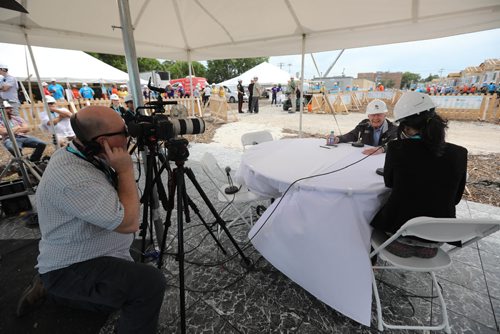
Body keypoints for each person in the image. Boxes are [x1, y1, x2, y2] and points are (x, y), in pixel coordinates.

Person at [16, 106, 166, 333]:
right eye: (124, 132)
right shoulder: (73, 177)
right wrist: (125, 171)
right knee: (149, 284)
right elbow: (129, 223)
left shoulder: (86, 151)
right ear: (103, 140)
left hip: (93, 249)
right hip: (71, 265)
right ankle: (53, 288)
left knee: (126, 283)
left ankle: (55, 290)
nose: (129, 135)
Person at [370, 92, 467, 258]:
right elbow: (456, 198)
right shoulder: (460, 153)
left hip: (396, 239)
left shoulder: (396, 148)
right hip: (433, 244)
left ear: (406, 128)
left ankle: (369, 266)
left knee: (369, 212)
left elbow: (390, 184)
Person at [333, 99, 398, 155]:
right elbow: (352, 135)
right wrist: (338, 139)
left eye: (379, 114)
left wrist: (381, 149)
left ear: (385, 115)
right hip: (365, 157)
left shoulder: (393, 128)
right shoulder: (364, 124)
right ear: (368, 116)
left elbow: (395, 144)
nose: (376, 117)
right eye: (373, 115)